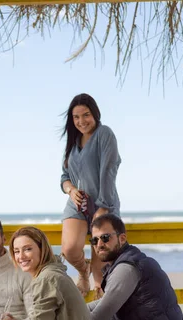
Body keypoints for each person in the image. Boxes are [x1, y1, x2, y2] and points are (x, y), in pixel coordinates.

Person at [60, 93, 121, 299]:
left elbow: (109, 170)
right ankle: (81, 272)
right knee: (69, 249)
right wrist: (71, 190)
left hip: (103, 201)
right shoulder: (72, 140)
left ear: (95, 113)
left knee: (100, 263)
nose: (81, 121)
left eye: (86, 115)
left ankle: (101, 311)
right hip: (76, 203)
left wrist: (103, 207)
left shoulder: (104, 134)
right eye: (76, 117)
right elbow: (64, 176)